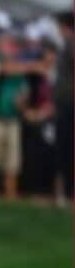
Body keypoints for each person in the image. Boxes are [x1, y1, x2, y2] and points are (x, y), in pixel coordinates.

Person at [0, 31, 28, 200]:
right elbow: (0, 67)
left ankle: (10, 196)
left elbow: (24, 98)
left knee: (12, 163)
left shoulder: (20, 76)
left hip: (13, 121)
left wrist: (22, 102)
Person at [53, 11, 73, 202]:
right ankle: (65, 192)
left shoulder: (71, 43)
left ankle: (67, 193)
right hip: (66, 103)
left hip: (69, 104)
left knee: (66, 149)